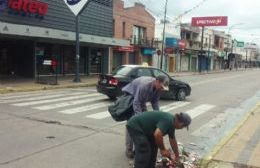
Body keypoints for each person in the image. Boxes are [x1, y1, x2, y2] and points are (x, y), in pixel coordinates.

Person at [122, 75, 169, 158]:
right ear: (157, 81)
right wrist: (139, 119)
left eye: (163, 88)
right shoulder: (144, 85)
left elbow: (155, 102)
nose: (162, 89)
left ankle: (138, 149)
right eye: (161, 87)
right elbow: (136, 103)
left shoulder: (158, 88)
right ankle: (128, 149)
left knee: (145, 125)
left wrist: (157, 116)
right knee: (132, 124)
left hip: (141, 100)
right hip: (131, 97)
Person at [126, 111, 191, 168]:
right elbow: (157, 134)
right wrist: (163, 149)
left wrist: (177, 156)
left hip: (147, 131)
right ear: (180, 123)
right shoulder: (168, 120)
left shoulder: (172, 124)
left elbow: (172, 140)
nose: (182, 128)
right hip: (135, 126)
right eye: (183, 126)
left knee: (154, 148)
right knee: (144, 148)